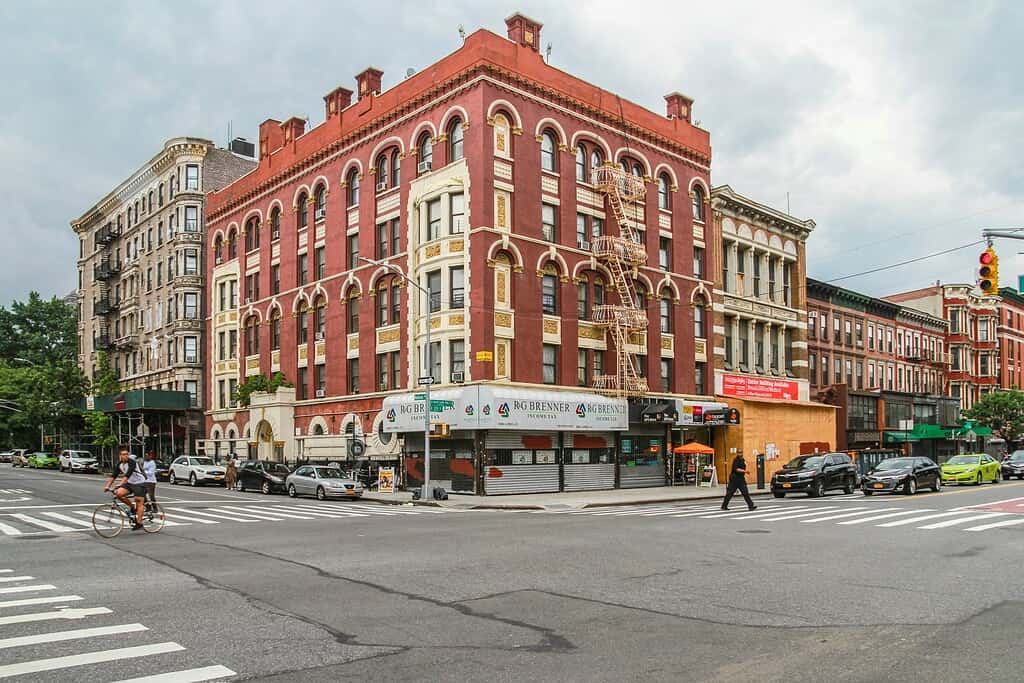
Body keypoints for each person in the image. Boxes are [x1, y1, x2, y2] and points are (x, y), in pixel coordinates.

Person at [104, 448, 146, 530]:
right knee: (118, 494)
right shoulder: (120, 464)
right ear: (120, 456)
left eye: (126, 454)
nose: (125, 456)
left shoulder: (132, 462)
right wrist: (107, 486)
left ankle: (139, 523)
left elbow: (128, 474)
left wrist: (120, 484)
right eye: (123, 454)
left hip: (139, 482)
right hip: (130, 483)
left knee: (138, 500)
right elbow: (114, 475)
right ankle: (132, 507)